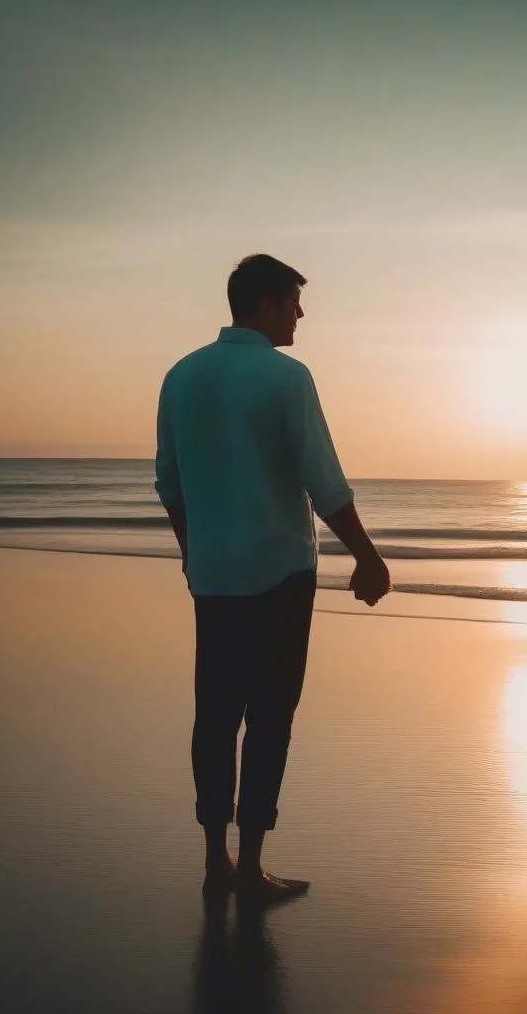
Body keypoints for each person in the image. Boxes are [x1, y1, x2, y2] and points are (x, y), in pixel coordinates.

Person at [155, 253, 390, 904]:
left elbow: (170, 484)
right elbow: (323, 480)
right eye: (293, 302)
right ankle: (251, 863)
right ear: (264, 303)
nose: (300, 314)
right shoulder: (286, 378)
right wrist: (368, 556)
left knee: (214, 716)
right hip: (282, 575)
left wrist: (192, 549)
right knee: (270, 719)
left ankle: (214, 861)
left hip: (215, 575)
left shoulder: (182, 376)